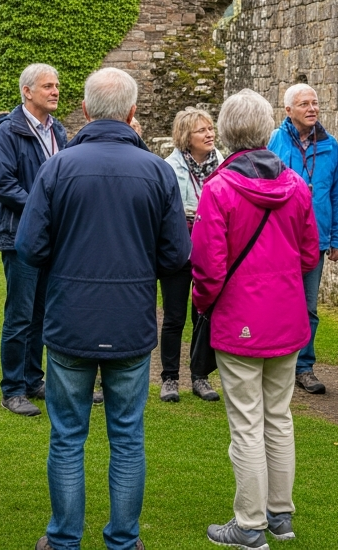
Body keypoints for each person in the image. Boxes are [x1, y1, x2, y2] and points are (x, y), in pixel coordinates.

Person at [18, 68, 189, 550]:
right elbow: (177, 254)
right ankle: (123, 539)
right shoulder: (156, 170)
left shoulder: (58, 167)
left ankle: (64, 538)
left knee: (67, 436)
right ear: (132, 112)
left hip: (71, 317)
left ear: (86, 110)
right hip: (129, 318)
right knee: (127, 437)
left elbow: (30, 246)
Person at [192, 90, 319, 549]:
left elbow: (208, 267)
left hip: (239, 319)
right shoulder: (295, 185)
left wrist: (204, 305)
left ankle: (249, 525)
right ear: (266, 129)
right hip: (285, 317)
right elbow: (309, 254)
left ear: (227, 131)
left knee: (247, 422)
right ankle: (279, 516)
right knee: (278, 417)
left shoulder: (219, 189)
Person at [0, 63, 68, 416]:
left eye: (56, 85)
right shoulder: (8, 131)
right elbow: (4, 184)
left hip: (49, 237)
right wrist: (43, 209)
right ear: (27, 91)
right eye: (47, 86)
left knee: (41, 313)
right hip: (20, 236)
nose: (55, 91)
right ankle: (12, 389)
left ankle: (34, 379)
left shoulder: (58, 130)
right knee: (19, 315)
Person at [266, 83, 338, 396]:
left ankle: (304, 367)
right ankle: (275, 362)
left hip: (315, 239)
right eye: (304, 104)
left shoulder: (330, 145)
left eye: (315, 103)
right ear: (288, 110)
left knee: (308, 307)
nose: (312, 109)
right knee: (277, 302)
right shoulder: (275, 140)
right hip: (280, 237)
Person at [159, 107, 224, 403]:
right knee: (174, 317)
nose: (210, 134)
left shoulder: (221, 163)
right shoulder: (169, 168)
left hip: (209, 247)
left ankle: (200, 376)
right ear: (186, 136)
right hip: (178, 248)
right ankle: (170, 378)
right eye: (202, 130)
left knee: (203, 314)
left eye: (210, 128)